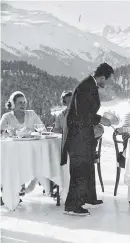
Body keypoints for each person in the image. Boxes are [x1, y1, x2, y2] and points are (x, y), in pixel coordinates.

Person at [61, 63, 114, 216]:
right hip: (77, 134)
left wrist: (99, 119)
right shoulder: (86, 86)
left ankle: (88, 198)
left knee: (88, 164)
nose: (107, 83)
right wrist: (101, 119)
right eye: (107, 80)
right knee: (79, 168)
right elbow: (82, 113)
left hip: (83, 132)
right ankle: (73, 205)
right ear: (102, 77)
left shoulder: (90, 84)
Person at [0, 91, 48, 198]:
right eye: (20, 103)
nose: (23, 105)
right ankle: (12, 191)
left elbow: (42, 129)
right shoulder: (7, 116)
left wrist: (35, 133)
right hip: (14, 152)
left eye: (24, 102)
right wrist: (7, 133)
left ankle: (31, 187)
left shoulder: (31, 114)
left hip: (32, 151)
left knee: (39, 161)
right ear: (12, 104)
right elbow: (0, 132)